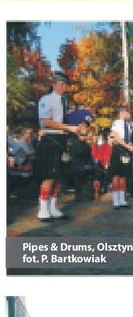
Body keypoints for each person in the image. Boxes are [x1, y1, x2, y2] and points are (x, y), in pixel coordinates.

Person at [35, 71, 77, 222]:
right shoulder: (46, 99)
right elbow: (46, 121)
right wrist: (69, 128)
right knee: (49, 175)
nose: (64, 87)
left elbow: (66, 120)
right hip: (50, 138)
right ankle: (43, 209)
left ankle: (53, 207)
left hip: (62, 139)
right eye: (61, 84)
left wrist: (78, 127)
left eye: (65, 84)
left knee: (59, 176)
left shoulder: (65, 101)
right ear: (54, 84)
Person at [108, 104, 133, 210]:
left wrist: (132, 147)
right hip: (118, 149)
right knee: (116, 174)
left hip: (126, 150)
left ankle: (122, 200)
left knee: (124, 175)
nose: (129, 114)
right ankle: (115, 200)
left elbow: (129, 139)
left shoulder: (128, 125)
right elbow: (115, 136)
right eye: (127, 112)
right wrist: (127, 146)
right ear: (122, 113)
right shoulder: (117, 123)